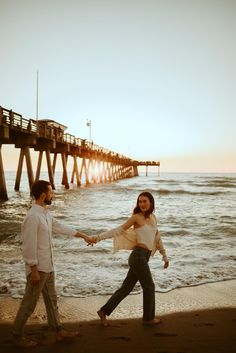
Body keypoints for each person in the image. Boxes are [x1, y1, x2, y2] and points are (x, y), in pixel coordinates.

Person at [12, 180, 90, 348]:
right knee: (29, 303)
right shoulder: (32, 217)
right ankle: (17, 336)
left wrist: (82, 235)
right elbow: (28, 246)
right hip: (38, 269)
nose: (52, 195)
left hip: (48, 266)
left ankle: (59, 331)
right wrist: (33, 270)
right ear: (42, 195)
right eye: (50, 193)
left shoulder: (45, 214)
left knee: (52, 300)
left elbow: (61, 227)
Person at [90, 191, 169, 326]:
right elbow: (118, 230)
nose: (142, 204)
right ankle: (148, 318)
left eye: (145, 201)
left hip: (144, 257)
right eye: (140, 202)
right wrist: (97, 238)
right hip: (138, 256)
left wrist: (164, 256)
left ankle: (104, 311)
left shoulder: (154, 218)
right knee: (149, 287)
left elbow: (157, 238)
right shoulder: (136, 218)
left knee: (126, 288)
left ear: (151, 202)